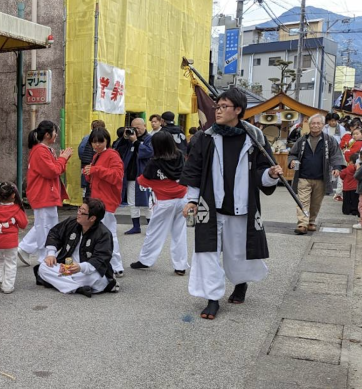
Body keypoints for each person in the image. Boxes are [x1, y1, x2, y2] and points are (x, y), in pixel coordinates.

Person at [181, 88, 283, 320]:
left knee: (237, 252)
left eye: (223, 107)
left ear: (238, 110)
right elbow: (194, 169)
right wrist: (191, 199)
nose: (217, 111)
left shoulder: (254, 137)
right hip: (210, 205)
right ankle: (213, 298)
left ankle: (240, 283)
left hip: (241, 206)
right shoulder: (206, 136)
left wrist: (270, 174)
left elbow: (261, 171)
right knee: (206, 252)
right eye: (216, 106)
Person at [130, 131, 189, 275]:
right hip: (182, 198)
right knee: (179, 233)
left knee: (154, 231)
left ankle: (146, 260)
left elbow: (144, 180)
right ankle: (180, 266)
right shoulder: (180, 155)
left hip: (164, 201)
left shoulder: (154, 162)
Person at [35, 198, 118, 296]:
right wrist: (51, 254)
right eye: (79, 209)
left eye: (82, 212)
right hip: (67, 267)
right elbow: (55, 233)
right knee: (43, 267)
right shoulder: (71, 222)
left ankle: (64, 284)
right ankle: (78, 288)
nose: (78, 213)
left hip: (86, 271)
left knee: (95, 277)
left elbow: (100, 259)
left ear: (92, 218)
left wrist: (80, 267)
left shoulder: (104, 234)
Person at [18, 121, 71, 266]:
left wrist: (62, 159)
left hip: (45, 193)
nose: (56, 135)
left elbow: (56, 169)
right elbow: (53, 171)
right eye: (55, 132)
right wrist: (63, 158)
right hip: (43, 193)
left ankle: (26, 249)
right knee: (45, 226)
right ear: (47, 135)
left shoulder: (44, 150)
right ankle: (43, 256)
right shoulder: (41, 151)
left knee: (44, 225)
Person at [288, 113, 345, 234]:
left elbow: (336, 155)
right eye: (313, 123)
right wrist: (292, 160)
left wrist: (337, 167)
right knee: (302, 201)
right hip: (303, 176)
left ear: (323, 125)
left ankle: (311, 221)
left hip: (321, 177)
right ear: (309, 125)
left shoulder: (329, 140)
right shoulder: (302, 139)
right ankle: (302, 224)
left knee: (316, 202)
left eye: (318, 123)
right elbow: (292, 153)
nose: (315, 125)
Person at [83, 127, 125, 277]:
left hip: (105, 200)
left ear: (107, 140)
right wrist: (89, 173)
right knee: (105, 233)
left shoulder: (112, 155)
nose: (97, 145)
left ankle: (116, 265)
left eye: (100, 141)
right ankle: (111, 264)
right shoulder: (99, 156)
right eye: (94, 142)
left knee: (108, 233)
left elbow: (117, 176)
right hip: (99, 200)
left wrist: (95, 170)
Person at [0, 182, 28, 294]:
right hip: (10, 241)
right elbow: (23, 224)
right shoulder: (17, 209)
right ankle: (8, 286)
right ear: (13, 195)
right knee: (10, 262)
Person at [78, 120, 105, 198]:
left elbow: (81, 149)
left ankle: (85, 203)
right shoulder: (101, 139)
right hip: (91, 164)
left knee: (85, 187)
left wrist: (83, 159)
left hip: (85, 164)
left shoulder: (86, 137)